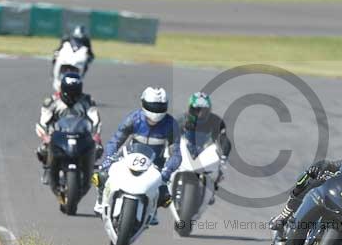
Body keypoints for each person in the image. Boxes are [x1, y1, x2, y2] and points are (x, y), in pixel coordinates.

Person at [93, 87, 181, 223]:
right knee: (103, 174)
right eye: (152, 106)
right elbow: (115, 141)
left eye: (159, 107)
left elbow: (176, 154)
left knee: (164, 192)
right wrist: (109, 158)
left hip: (155, 163)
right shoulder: (134, 119)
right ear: (143, 103)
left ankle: (152, 211)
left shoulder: (171, 125)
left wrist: (168, 170)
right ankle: (100, 201)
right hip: (130, 156)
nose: (155, 111)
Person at [35, 72, 102, 185]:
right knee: (42, 150)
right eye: (69, 93)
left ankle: (88, 169)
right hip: (57, 134)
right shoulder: (51, 102)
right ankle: (48, 168)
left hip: (80, 133)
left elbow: (96, 119)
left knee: (98, 149)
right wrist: (46, 136)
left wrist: (95, 135)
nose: (72, 97)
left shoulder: (87, 101)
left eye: (75, 93)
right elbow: (43, 122)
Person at [177, 92, 232, 204]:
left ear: (209, 110)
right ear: (190, 109)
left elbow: (223, 139)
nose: (200, 114)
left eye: (204, 110)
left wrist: (224, 155)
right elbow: (171, 136)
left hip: (206, 150)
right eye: (197, 110)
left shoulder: (216, 121)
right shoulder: (182, 119)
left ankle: (211, 190)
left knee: (219, 171)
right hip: (186, 149)